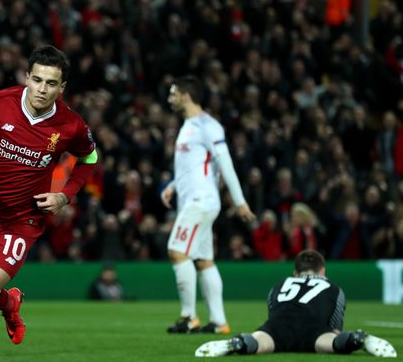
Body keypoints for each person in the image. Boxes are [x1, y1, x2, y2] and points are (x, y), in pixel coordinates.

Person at [0, 44, 98, 361]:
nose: (42, 89)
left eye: (51, 83)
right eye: (37, 80)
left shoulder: (71, 125)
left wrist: (65, 195)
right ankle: (10, 304)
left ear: (62, 87)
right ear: (27, 77)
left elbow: (89, 157)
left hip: (21, 222)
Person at [160, 75, 256, 334]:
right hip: (193, 199)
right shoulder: (189, 125)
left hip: (200, 202)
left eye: (173, 93)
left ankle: (189, 317)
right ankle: (219, 322)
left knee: (176, 251)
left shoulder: (208, 125)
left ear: (186, 96)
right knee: (203, 260)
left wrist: (240, 202)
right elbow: (195, 168)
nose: (170, 98)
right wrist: (172, 186)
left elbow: (226, 165)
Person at [195, 249, 397, 358]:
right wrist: (337, 336)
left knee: (261, 340)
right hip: (313, 328)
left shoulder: (280, 284)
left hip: (279, 326)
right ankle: (356, 339)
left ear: (296, 273)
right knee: (332, 342)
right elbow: (335, 327)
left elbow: (273, 315)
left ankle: (239, 343)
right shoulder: (334, 288)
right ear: (322, 272)